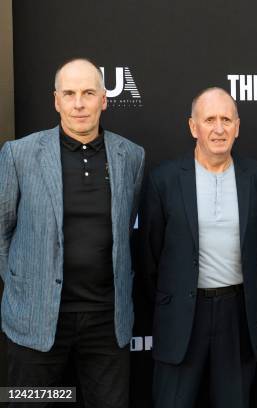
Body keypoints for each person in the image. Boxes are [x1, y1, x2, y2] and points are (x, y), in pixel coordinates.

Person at [0, 57, 145, 407]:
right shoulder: (19, 155)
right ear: (56, 100)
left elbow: (126, 229)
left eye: (88, 93)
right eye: (69, 93)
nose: (79, 103)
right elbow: (2, 229)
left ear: (104, 99)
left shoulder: (132, 157)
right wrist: (20, 285)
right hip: (35, 320)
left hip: (106, 323)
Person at [139, 87, 257, 407]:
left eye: (226, 119)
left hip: (236, 315)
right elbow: (149, 257)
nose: (218, 128)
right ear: (192, 126)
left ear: (237, 127)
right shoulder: (165, 179)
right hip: (182, 315)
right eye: (209, 119)